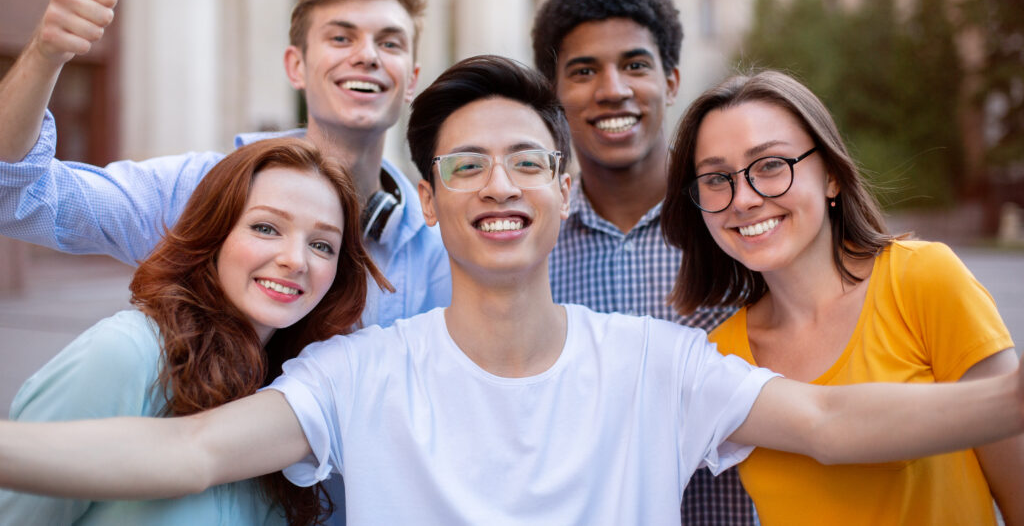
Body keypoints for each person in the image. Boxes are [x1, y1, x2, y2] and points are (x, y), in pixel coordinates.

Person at [0, 56, 1022, 526]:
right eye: (465, 165)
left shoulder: (657, 361)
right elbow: (191, 449)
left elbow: (833, 421)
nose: (499, 183)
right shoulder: (354, 370)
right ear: (430, 205)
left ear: (564, 190)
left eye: (528, 161)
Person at [0, 0, 450, 329]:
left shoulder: (439, 248)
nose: (367, 55)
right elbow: (19, 198)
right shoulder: (198, 191)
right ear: (296, 66)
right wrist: (44, 54)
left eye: (388, 43)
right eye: (340, 37)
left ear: (410, 79)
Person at [661, 70, 1024, 525]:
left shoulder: (924, 279)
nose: (744, 199)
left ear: (831, 176)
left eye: (771, 165)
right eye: (716, 178)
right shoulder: (719, 354)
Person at [0, 137, 388, 525]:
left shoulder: (304, 384)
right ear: (215, 233)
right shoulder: (125, 354)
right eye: (266, 228)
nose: (294, 260)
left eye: (321, 245)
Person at [532, 0, 747, 522]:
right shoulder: (527, 250)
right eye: (583, 71)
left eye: (634, 65)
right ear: (553, 97)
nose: (613, 90)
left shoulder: (740, 226)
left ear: (671, 81)